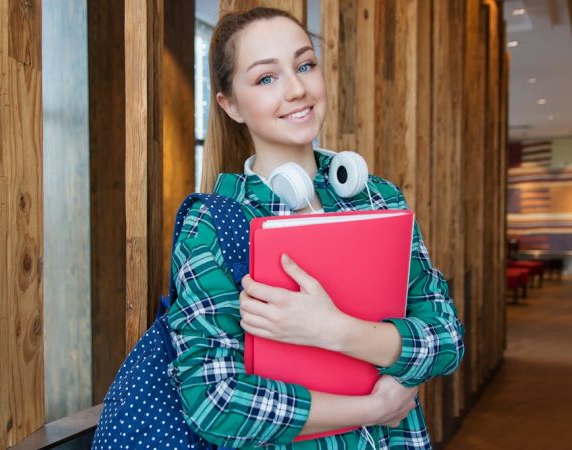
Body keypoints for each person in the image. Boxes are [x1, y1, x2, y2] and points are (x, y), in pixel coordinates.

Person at [167, 7, 464, 450]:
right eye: (266, 78)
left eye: (305, 65)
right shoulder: (213, 223)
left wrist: (335, 331)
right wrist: (373, 409)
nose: (298, 89)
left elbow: (446, 337)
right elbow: (215, 402)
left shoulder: (378, 197)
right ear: (230, 105)